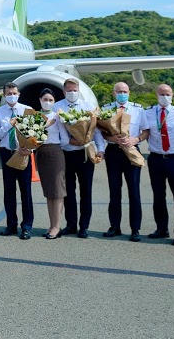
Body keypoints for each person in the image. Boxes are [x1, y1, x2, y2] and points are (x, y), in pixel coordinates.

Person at [139, 84, 174, 245]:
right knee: (158, 196)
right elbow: (144, 132)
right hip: (156, 159)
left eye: (167, 94)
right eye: (161, 94)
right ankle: (161, 229)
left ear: (172, 95)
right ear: (156, 95)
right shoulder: (148, 112)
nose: (164, 97)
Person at [54, 79, 105, 238]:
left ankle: (84, 226)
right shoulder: (57, 107)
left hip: (85, 154)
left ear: (79, 90)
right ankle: (71, 224)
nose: (72, 93)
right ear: (64, 92)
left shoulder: (88, 106)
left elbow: (96, 131)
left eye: (74, 90)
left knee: (86, 191)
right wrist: (70, 141)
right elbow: (56, 130)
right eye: (69, 90)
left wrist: (101, 149)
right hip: (66, 154)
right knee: (68, 192)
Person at [101, 82, 144, 242]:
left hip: (132, 151)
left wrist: (135, 139)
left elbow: (146, 131)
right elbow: (102, 132)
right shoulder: (106, 109)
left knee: (134, 191)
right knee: (114, 191)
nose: (122, 94)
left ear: (129, 92)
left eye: (125, 91)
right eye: (119, 91)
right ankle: (114, 226)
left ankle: (135, 229)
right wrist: (112, 138)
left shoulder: (138, 109)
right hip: (113, 152)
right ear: (114, 93)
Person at [0, 82, 35, 239]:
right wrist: (8, 125)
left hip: (23, 153)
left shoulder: (27, 110)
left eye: (14, 93)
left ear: (19, 94)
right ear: (4, 95)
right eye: (9, 93)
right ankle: (11, 225)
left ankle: (27, 226)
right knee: (9, 191)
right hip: (7, 153)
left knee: (26, 191)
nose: (12, 96)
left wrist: (30, 149)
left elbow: (36, 134)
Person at [37, 89, 66, 239]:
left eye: (50, 100)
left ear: (54, 102)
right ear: (40, 100)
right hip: (41, 152)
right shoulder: (35, 116)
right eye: (45, 99)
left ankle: (56, 226)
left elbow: (65, 138)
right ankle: (51, 225)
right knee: (49, 191)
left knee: (57, 190)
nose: (47, 102)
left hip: (55, 152)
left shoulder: (57, 116)